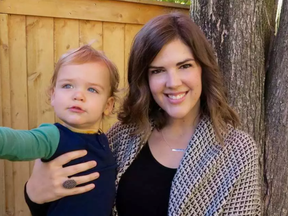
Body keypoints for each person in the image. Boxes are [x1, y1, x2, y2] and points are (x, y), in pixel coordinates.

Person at [23, 13, 262, 215]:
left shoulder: (238, 151)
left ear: (203, 69)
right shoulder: (122, 136)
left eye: (185, 66)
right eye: (158, 70)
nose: (173, 82)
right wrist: (34, 193)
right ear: (145, 79)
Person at [0, 45, 119, 216]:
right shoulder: (52, 136)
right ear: (53, 96)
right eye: (68, 86)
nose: (78, 95)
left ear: (108, 105)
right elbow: (17, 141)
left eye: (92, 89)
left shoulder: (105, 139)